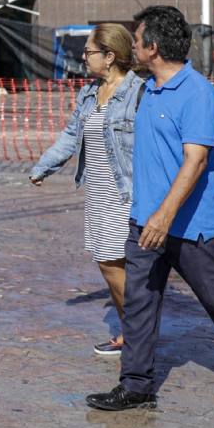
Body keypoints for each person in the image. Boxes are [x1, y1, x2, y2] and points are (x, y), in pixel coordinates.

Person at [86, 4, 214, 412]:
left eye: (136, 40)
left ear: (152, 47)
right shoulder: (148, 87)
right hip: (144, 221)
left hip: (192, 225)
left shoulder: (198, 93)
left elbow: (196, 161)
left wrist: (164, 216)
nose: (132, 45)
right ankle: (136, 385)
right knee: (139, 302)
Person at [28, 23, 140, 357]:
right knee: (110, 265)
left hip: (127, 192)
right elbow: (71, 134)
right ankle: (132, 332)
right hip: (98, 194)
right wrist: (44, 166)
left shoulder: (139, 92)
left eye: (88, 51)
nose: (83, 56)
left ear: (109, 56)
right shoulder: (89, 92)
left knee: (113, 264)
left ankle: (137, 336)